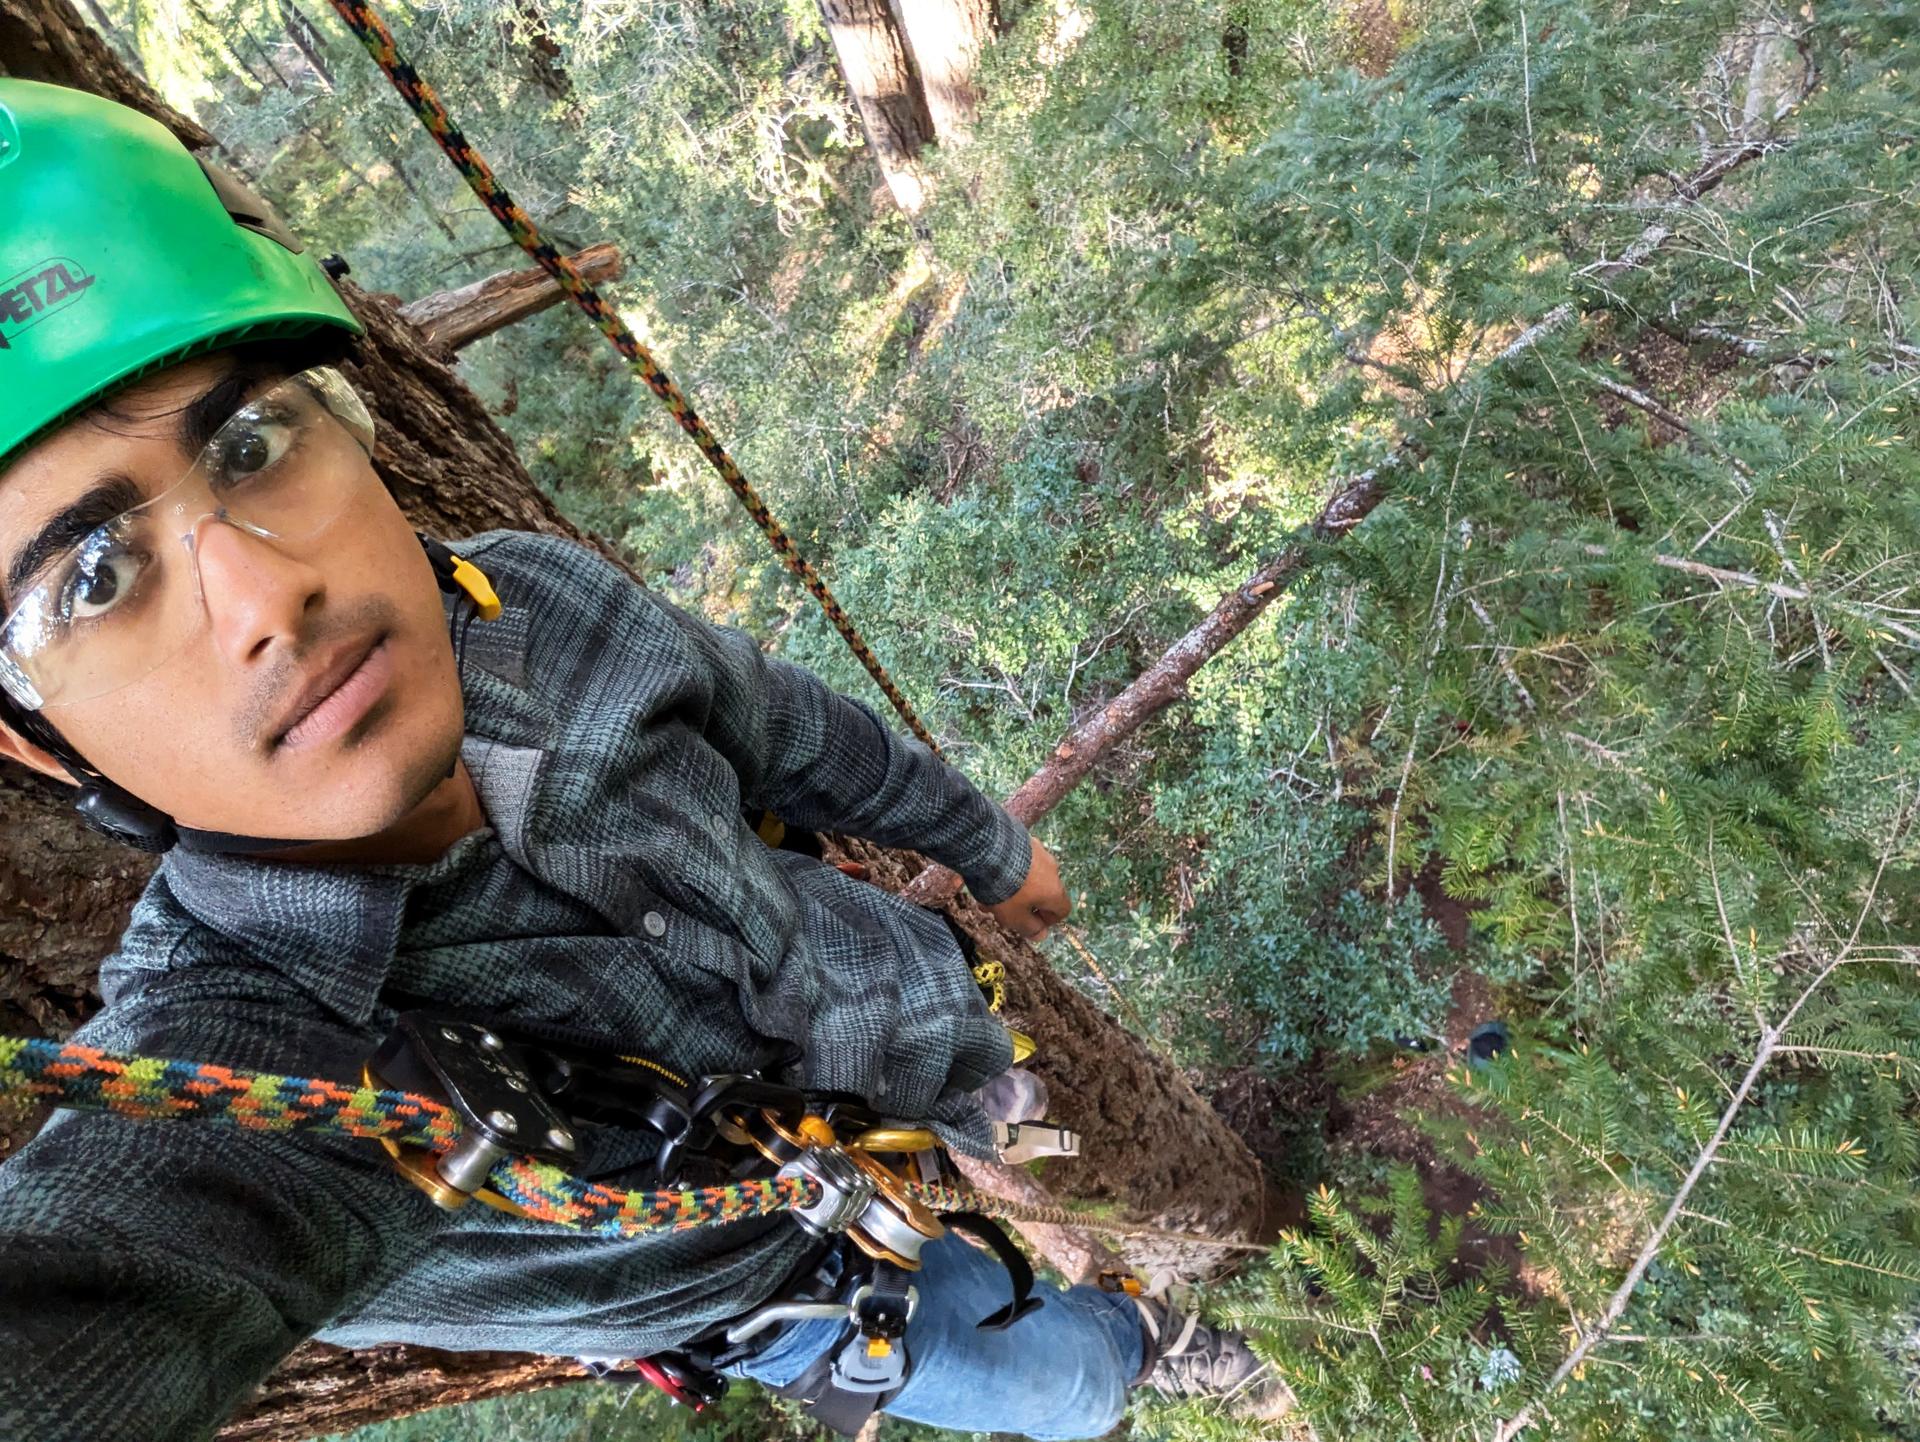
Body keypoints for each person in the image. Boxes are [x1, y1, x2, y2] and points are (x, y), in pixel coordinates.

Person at [0, 78, 1266, 1441]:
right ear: (25, 733)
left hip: (928, 1041)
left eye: (249, 441)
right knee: (1059, 1387)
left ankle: (1091, 1230)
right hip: (790, 1286)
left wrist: (988, 845)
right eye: (94, 576)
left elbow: (794, 728)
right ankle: (1131, 1332)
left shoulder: (538, 607)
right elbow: (98, 1295)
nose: (261, 598)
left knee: (1042, 1149)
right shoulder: (246, 1064)